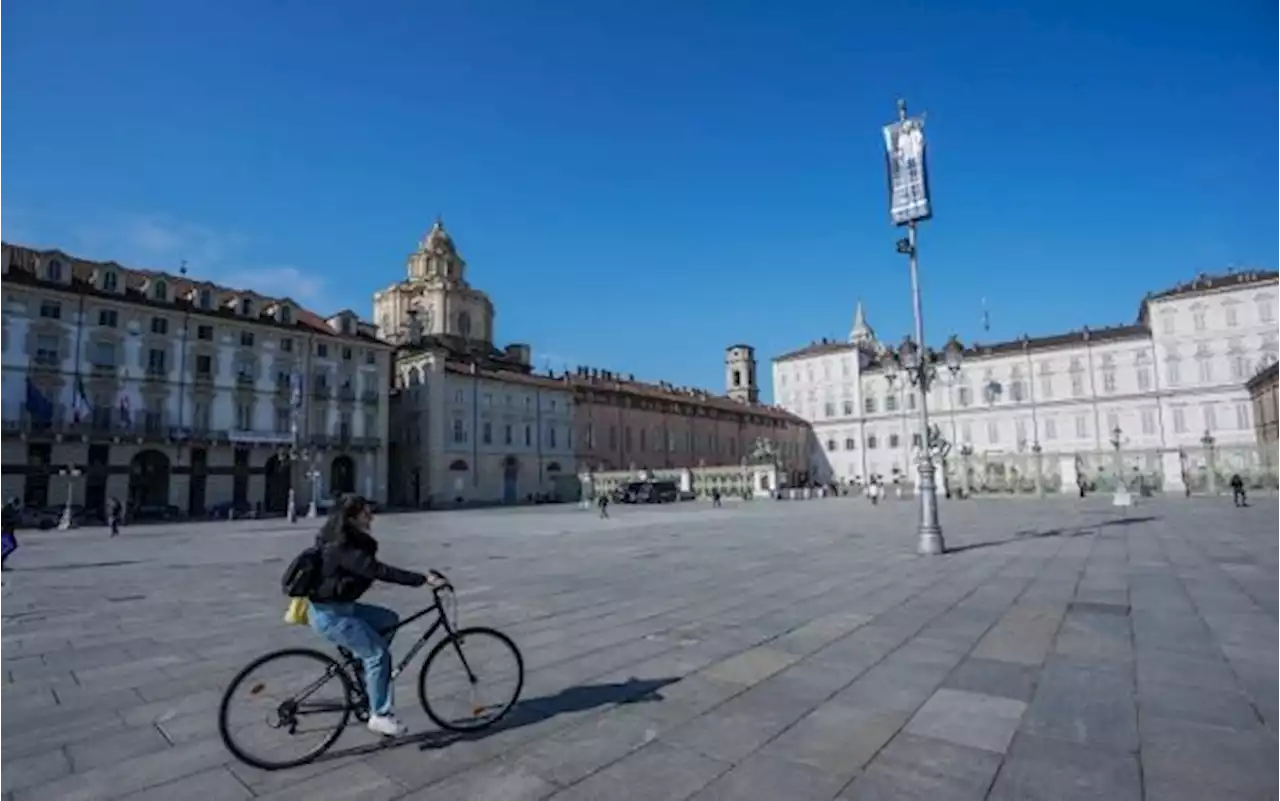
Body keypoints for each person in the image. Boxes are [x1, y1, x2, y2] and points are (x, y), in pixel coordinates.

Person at [308, 495, 443, 737]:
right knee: (379, 654)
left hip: (340, 608)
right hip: (332, 616)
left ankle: (366, 671)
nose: (371, 516)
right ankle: (380, 714)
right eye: (365, 512)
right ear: (352, 517)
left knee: (388, 619)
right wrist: (422, 579)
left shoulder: (342, 540)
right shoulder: (342, 546)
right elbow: (378, 570)